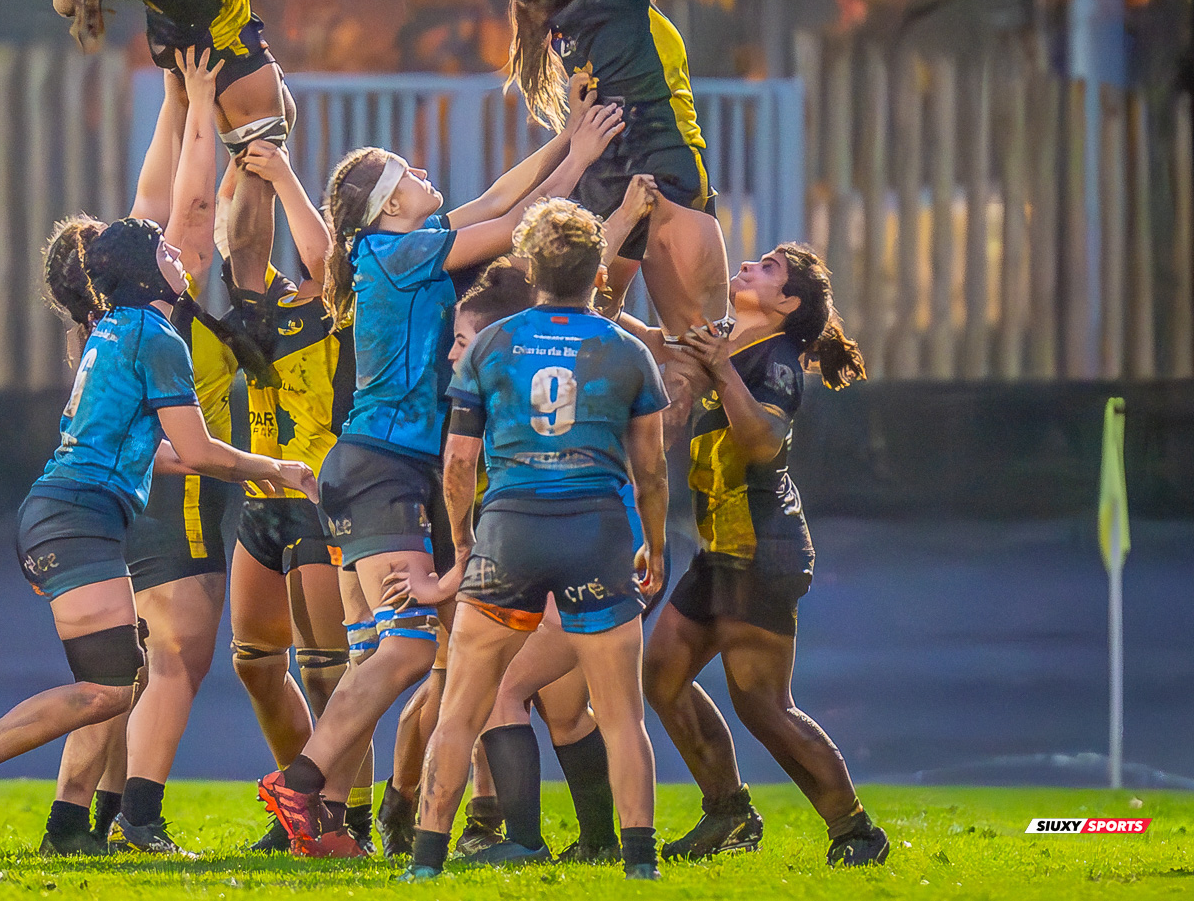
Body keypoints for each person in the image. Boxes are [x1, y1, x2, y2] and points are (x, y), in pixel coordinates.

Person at [257, 89, 624, 858]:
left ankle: (322, 819)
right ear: (388, 205)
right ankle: (303, 780)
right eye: (407, 172)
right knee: (410, 650)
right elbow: (515, 226)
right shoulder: (398, 251)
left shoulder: (396, 246)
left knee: (387, 652)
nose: (424, 172)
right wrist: (580, 159)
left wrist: (563, 143)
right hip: (385, 466)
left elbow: (494, 199)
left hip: (377, 467)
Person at [0, 218, 318, 851]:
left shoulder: (112, 331)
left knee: (121, 674)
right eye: (164, 249)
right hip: (77, 518)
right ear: (142, 272)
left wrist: (246, 468)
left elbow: (156, 452)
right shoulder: (156, 336)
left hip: (70, 514)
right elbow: (194, 447)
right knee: (107, 687)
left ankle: (70, 830)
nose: (177, 255)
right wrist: (274, 468)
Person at [382, 198, 669, 882]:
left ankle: (425, 861)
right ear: (599, 273)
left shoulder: (491, 343)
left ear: (533, 268)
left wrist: (463, 541)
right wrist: (654, 545)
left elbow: (458, 463)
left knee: (464, 704)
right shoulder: (627, 349)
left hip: (510, 528)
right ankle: (639, 865)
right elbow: (652, 469)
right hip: (596, 530)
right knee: (622, 712)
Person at [36, 48, 251, 857]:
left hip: (121, 496)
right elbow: (187, 201)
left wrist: (172, 97)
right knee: (174, 662)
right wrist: (197, 103)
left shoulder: (107, 319)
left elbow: (156, 196)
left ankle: (84, 816)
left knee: (126, 672)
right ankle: (136, 821)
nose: (142, 229)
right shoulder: (151, 306)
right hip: (167, 494)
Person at [639, 244, 890, 868]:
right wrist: (586, 302)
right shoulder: (725, 339)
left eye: (770, 267)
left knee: (762, 705)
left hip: (762, 547)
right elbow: (652, 338)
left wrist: (721, 372)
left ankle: (855, 831)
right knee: (661, 674)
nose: (750, 265)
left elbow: (762, 443)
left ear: (788, 304)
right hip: (720, 549)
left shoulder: (774, 360)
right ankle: (728, 812)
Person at [496, 0, 726, 427]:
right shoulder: (610, 1)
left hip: (611, 193)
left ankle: (589, 491)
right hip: (670, 179)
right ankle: (693, 517)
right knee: (702, 361)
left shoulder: (578, 25)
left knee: (588, 347)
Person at [53, 0, 291, 308]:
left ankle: (245, 279)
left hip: (207, 50)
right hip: (227, 59)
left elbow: (66, 3)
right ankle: (253, 301)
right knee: (260, 168)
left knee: (258, 156)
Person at [221, 143, 364, 853]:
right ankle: (300, 802)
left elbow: (328, 265)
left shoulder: (352, 298)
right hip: (261, 497)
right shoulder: (266, 299)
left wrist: (282, 172)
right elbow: (243, 240)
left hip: (321, 491)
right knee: (253, 661)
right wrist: (246, 157)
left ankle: (351, 815)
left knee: (330, 667)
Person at [375, 258, 533, 859]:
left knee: (489, 688)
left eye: (461, 341)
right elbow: (458, 472)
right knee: (455, 684)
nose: (449, 355)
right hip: (471, 538)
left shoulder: (527, 376)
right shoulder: (474, 391)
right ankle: (407, 809)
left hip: (505, 543)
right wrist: (456, 564)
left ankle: (478, 822)